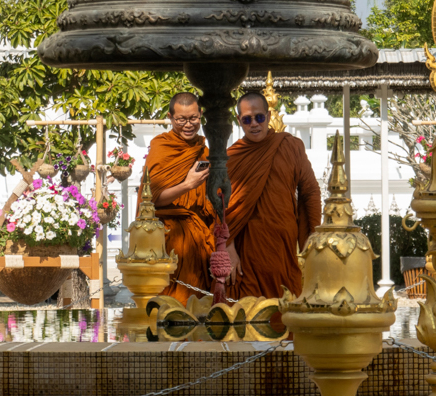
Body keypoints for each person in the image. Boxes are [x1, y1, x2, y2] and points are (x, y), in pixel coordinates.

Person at [224, 91, 322, 299]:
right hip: (246, 248)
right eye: (247, 119)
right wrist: (228, 246)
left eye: (259, 117)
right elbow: (218, 205)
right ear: (239, 121)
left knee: (285, 306)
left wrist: (312, 240)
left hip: (282, 245)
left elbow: (310, 191)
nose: (254, 124)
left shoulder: (290, 146)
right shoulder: (232, 157)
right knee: (247, 312)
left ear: (268, 117)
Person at [138, 92, 216, 303]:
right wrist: (188, 185)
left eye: (193, 118)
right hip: (168, 240)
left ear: (200, 115)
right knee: (170, 307)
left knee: (198, 307)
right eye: (181, 119)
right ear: (170, 117)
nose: (188, 125)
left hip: (198, 239)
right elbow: (150, 199)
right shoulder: (161, 146)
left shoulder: (203, 149)